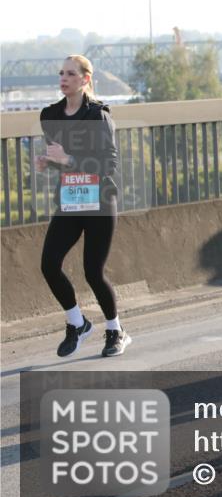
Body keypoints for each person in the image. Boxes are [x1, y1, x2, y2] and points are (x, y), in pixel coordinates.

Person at [38, 55, 129, 358]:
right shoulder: (49, 114)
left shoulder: (98, 115)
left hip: (100, 202)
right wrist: (49, 161)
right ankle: (77, 322)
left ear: (85, 79)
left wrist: (67, 160)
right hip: (70, 200)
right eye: (61, 73)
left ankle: (115, 330)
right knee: (49, 264)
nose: (64, 78)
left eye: (71, 73)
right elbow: (62, 160)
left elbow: (108, 165)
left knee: (93, 271)